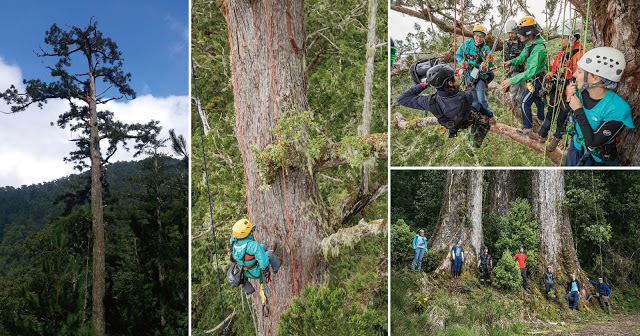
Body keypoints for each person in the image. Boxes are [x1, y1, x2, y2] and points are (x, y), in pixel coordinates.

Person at [565, 47, 634, 166]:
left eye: (580, 71)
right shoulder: (579, 92)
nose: (575, 74)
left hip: (597, 161)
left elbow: (593, 142)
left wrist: (578, 109)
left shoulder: (618, 109)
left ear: (596, 78)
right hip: (575, 149)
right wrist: (569, 99)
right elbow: (568, 115)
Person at [397, 63, 490, 146]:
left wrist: (425, 84)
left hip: (452, 123)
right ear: (450, 82)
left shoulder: (431, 102)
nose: (456, 77)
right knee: (478, 105)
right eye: (454, 77)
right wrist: (477, 69)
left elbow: (402, 99)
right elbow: (471, 83)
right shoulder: (465, 96)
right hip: (468, 119)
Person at [500, 16, 548, 140]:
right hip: (534, 79)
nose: (518, 35)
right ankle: (541, 119)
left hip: (536, 79)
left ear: (529, 34)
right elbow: (522, 57)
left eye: (520, 33)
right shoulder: (530, 44)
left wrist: (511, 80)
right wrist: (511, 62)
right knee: (538, 100)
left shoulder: (539, 49)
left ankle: (527, 128)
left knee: (524, 102)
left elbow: (531, 72)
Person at [456, 24, 497, 125]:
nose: (478, 39)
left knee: (481, 98)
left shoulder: (486, 49)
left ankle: (489, 116)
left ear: (484, 38)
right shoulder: (466, 45)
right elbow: (458, 55)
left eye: (481, 37)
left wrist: (485, 64)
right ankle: (479, 116)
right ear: (473, 35)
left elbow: (490, 63)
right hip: (468, 74)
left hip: (479, 74)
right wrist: (461, 62)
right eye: (477, 36)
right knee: (474, 100)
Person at [229, 219, 279, 295]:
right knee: (269, 254)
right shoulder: (253, 245)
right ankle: (276, 267)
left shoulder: (233, 242)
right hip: (256, 272)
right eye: (251, 230)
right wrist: (266, 272)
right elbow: (264, 262)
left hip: (244, 271)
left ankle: (247, 286)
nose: (252, 231)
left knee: (262, 247)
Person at [503, 19, 526, 107]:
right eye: (509, 33)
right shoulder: (507, 43)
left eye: (512, 32)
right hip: (513, 68)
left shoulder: (522, 41)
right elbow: (505, 56)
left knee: (523, 88)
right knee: (514, 87)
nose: (510, 35)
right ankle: (512, 102)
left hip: (523, 69)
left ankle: (519, 103)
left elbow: (526, 53)